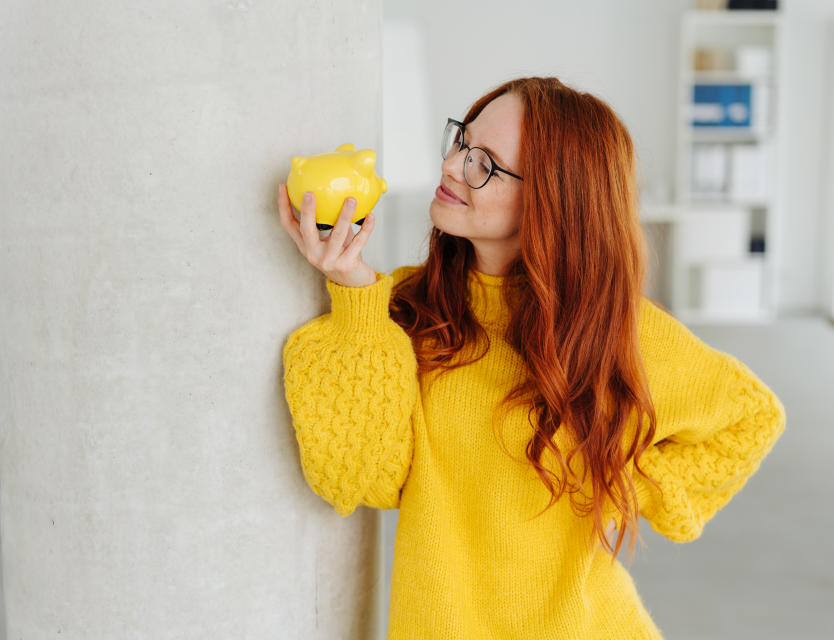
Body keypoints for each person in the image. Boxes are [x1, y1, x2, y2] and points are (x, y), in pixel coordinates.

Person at [278, 76, 786, 640]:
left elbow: (751, 418)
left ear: (555, 197)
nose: (451, 166)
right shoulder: (400, 312)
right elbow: (360, 479)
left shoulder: (616, 331)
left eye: (485, 164)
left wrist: (619, 480)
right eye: (461, 142)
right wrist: (352, 291)